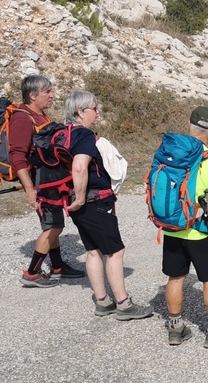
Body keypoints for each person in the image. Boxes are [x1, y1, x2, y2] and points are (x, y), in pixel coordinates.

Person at [63, 91, 152, 320]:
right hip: (94, 201)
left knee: (93, 250)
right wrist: (82, 198)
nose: (97, 112)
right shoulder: (83, 135)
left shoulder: (65, 133)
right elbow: (80, 167)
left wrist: (77, 199)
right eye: (94, 108)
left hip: (76, 203)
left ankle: (102, 301)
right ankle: (124, 304)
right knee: (115, 251)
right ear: (81, 112)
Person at [162, 106, 208, 347]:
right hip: (201, 231)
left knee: (176, 277)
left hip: (172, 225)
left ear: (188, 123)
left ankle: (175, 328)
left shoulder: (171, 151)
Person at [8, 74, 85, 287]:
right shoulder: (23, 118)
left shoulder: (40, 115)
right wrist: (29, 188)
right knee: (53, 226)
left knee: (55, 223)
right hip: (41, 182)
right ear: (33, 95)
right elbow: (17, 156)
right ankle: (32, 272)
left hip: (51, 179)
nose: (52, 96)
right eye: (47, 92)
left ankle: (58, 267)